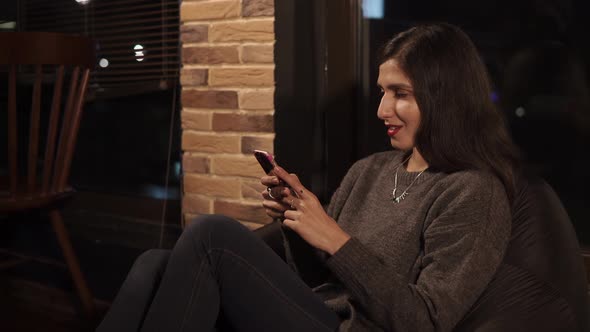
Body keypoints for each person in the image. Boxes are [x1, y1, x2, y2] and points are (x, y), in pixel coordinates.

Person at [97, 22, 520, 332]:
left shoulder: (473, 192)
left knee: (211, 234)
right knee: (154, 262)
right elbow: (317, 281)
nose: (381, 110)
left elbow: (426, 320)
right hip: (315, 311)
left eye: (400, 94)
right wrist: (297, 222)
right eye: (382, 92)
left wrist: (335, 239)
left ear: (443, 97)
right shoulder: (369, 170)